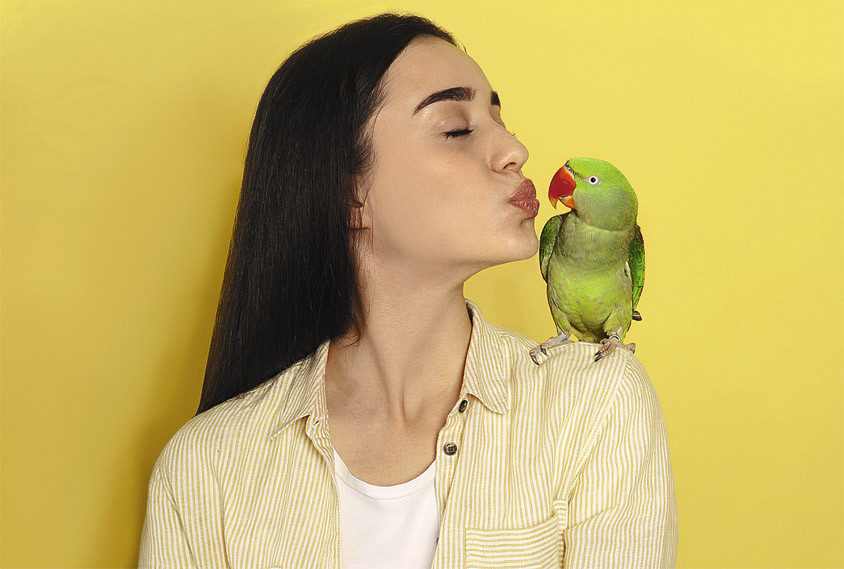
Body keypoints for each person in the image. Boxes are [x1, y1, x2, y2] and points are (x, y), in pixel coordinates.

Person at [138, 12, 678, 569]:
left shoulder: (595, 405)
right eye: (455, 129)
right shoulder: (204, 469)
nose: (515, 149)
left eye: (500, 118)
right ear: (350, 194)